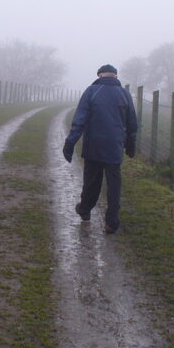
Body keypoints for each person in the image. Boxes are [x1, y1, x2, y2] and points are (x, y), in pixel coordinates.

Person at [62, 64, 138, 234]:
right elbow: (132, 122)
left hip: (93, 146)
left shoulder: (91, 91)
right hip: (114, 147)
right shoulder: (124, 94)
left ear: (99, 75)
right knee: (114, 186)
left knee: (91, 182)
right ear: (115, 76)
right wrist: (131, 144)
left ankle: (85, 210)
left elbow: (79, 120)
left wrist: (70, 143)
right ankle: (111, 222)